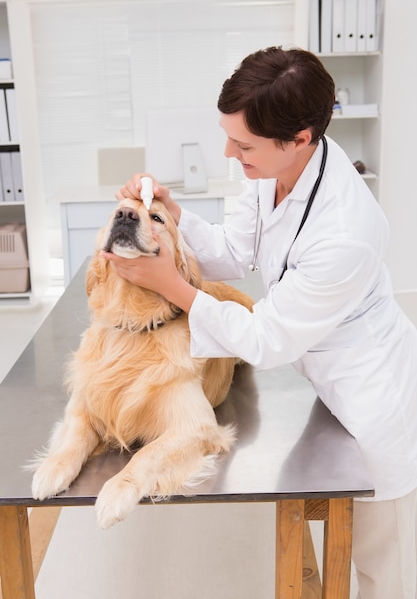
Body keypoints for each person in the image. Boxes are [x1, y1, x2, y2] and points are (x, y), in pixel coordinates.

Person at [100, 46, 417, 599]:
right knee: (313, 528)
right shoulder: (276, 166)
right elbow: (233, 249)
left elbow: (266, 338)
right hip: (320, 367)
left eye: (243, 145)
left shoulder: (346, 229)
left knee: (382, 561)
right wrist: (173, 215)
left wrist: (172, 286)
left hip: (372, 391)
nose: (229, 153)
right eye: (229, 137)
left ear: (300, 137)